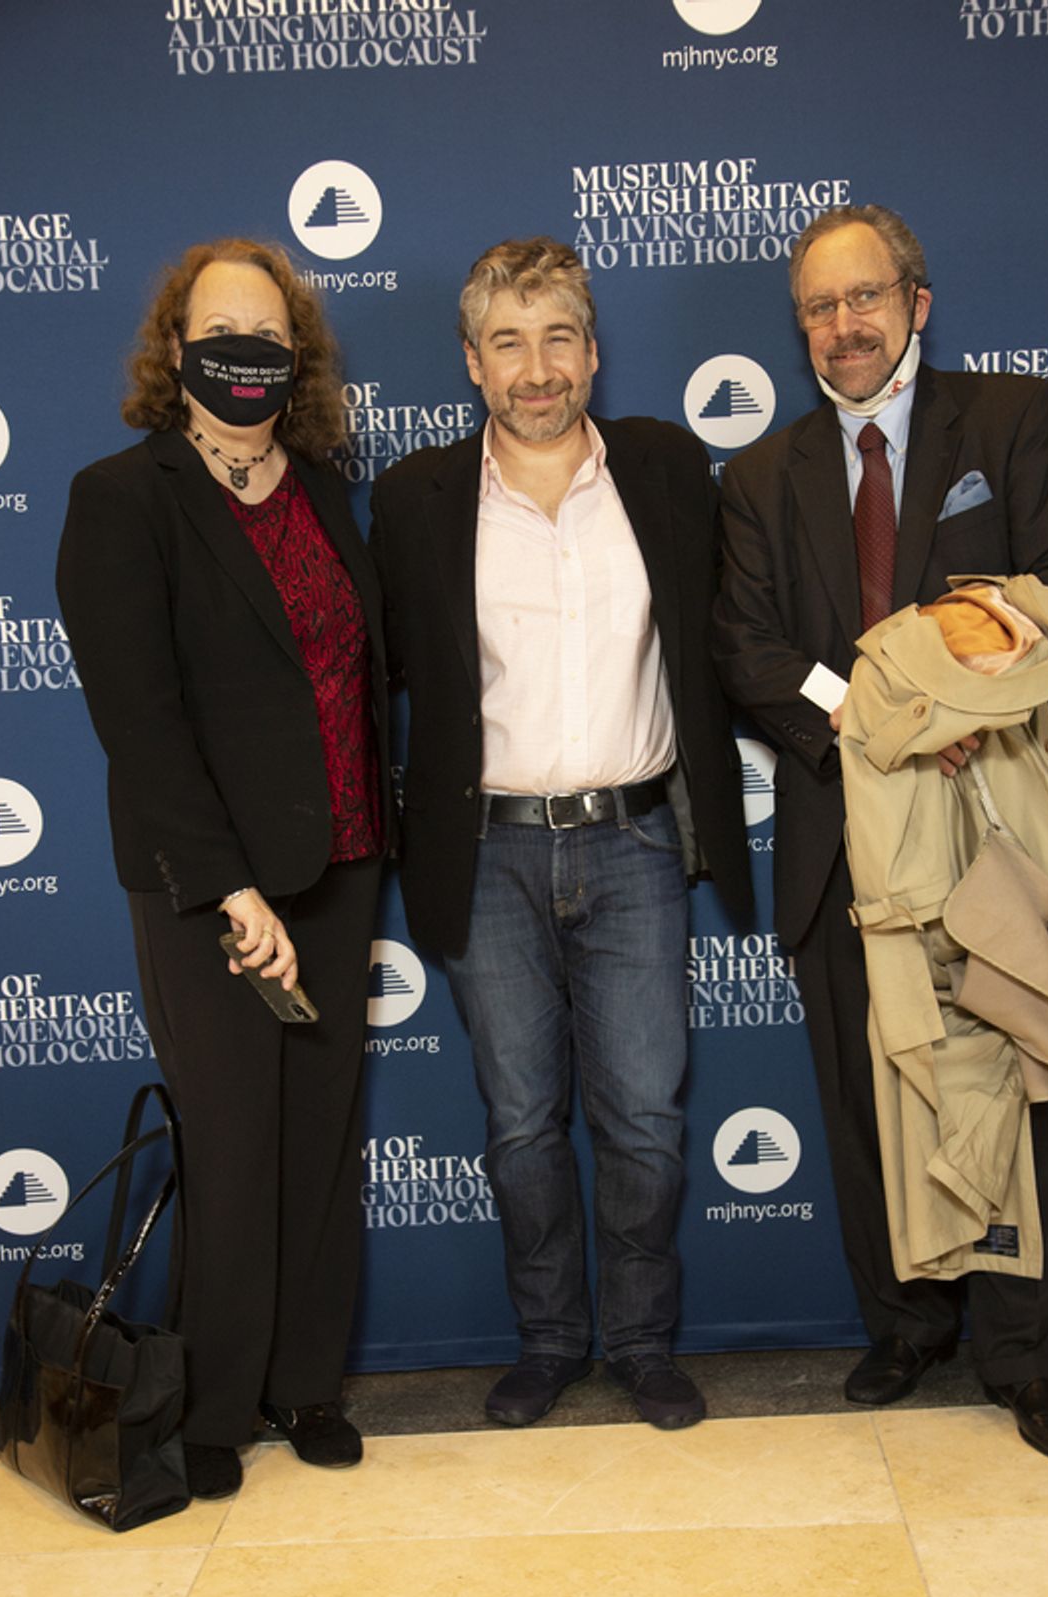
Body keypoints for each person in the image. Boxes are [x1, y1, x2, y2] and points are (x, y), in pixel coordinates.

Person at [713, 204, 1048, 1460]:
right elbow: (752, 652)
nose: (846, 326)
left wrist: (953, 697)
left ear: (916, 303)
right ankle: (907, 1326)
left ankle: (1027, 1358)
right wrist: (886, 716)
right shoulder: (761, 479)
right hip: (849, 827)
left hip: (999, 825)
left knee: (1020, 1087)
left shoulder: (1005, 419)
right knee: (866, 1084)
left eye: (865, 298)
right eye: (820, 309)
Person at [370, 237, 751, 1431]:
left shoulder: (665, 466)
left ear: (592, 349)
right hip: (486, 857)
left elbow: (725, 640)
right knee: (521, 1118)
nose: (538, 370)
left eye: (558, 339)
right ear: (473, 363)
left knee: (644, 1114)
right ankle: (549, 1341)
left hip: (637, 845)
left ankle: (640, 1343)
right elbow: (370, 673)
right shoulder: (417, 498)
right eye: (509, 343)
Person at [57, 238, 391, 1499]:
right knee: (237, 1139)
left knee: (319, 1141)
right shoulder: (123, 495)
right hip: (212, 889)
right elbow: (138, 720)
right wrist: (233, 889)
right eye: (219, 334)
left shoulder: (318, 487)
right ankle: (214, 1408)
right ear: (177, 348)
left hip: (343, 861)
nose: (244, 355)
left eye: (267, 335)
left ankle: (306, 1386)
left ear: (292, 355)